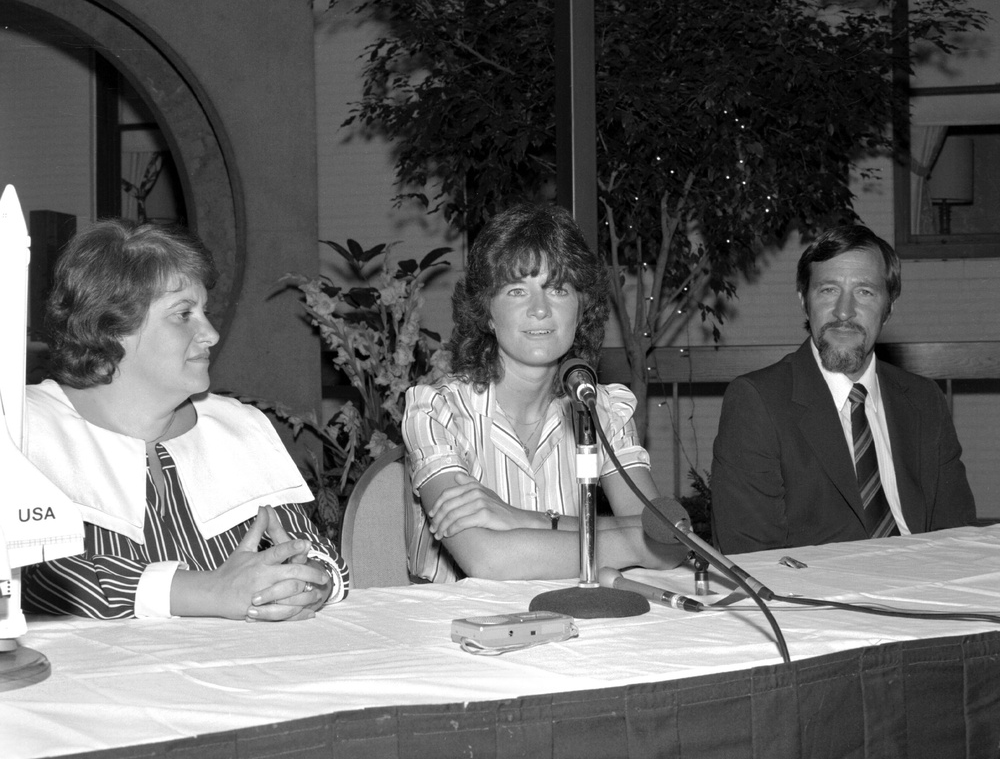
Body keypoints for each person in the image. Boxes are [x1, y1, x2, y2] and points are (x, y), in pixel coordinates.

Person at [21, 220, 348, 620]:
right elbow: (34, 580)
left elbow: (314, 553)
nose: (209, 332)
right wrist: (208, 591)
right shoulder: (25, 429)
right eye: (183, 314)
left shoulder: (236, 427)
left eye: (204, 312)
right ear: (110, 329)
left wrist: (309, 582)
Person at [402, 203, 687, 582]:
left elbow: (671, 541)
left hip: (579, 623)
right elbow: (491, 561)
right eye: (517, 291)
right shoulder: (437, 411)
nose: (540, 309)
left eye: (556, 288)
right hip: (464, 630)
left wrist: (520, 519)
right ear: (486, 312)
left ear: (581, 307)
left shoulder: (602, 408)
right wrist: (634, 542)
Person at [710, 224, 977, 554]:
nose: (844, 312)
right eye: (828, 290)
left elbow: (957, 535)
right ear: (804, 301)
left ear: (889, 307)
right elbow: (752, 560)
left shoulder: (923, 399)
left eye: (865, 292)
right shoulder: (758, 401)